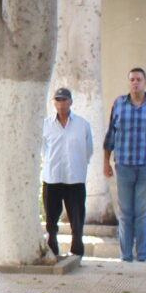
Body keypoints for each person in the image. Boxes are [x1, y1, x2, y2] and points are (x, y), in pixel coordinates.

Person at [102, 67, 146, 263]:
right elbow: (110, 136)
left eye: (139, 79)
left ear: (145, 83)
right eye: (132, 79)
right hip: (124, 166)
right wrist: (106, 162)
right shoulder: (119, 104)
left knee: (143, 213)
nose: (135, 82)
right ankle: (125, 256)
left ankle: (142, 255)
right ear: (128, 82)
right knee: (125, 213)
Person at [40, 87, 94, 260]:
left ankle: (77, 248)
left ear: (70, 102)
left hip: (75, 178)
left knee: (76, 216)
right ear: (54, 102)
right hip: (53, 177)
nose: (61, 103)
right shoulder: (46, 125)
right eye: (58, 100)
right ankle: (52, 247)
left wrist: (79, 164)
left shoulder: (82, 125)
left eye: (64, 100)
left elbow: (88, 149)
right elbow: (43, 149)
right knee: (51, 217)